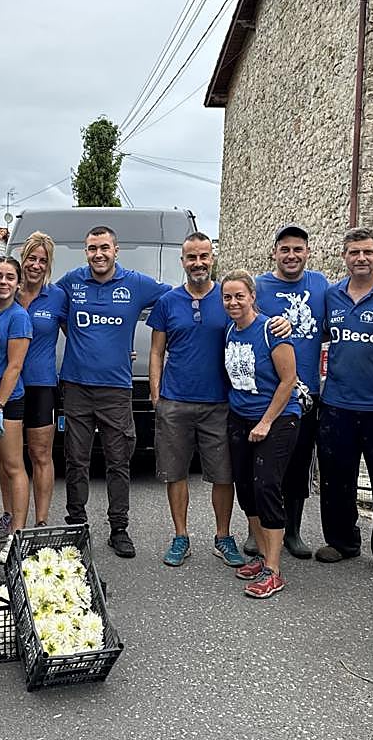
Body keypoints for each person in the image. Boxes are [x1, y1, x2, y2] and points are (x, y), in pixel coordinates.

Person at [56, 225, 170, 558]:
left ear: (116, 250)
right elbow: (56, 313)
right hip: (76, 386)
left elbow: (175, 297)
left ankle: (118, 529)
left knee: (118, 462)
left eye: (104, 248)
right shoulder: (71, 282)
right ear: (86, 251)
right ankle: (76, 525)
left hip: (116, 390)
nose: (98, 254)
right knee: (75, 461)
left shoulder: (135, 283)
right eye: (92, 248)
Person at [314, 228, 373, 576]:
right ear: (344, 256)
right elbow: (321, 335)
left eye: (367, 252)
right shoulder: (331, 295)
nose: (361, 258)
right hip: (337, 402)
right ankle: (341, 542)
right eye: (354, 252)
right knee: (336, 478)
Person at [148, 233, 244, 568]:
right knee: (175, 473)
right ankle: (181, 536)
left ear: (212, 258)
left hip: (220, 402)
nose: (198, 263)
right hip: (175, 402)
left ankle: (222, 536)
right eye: (192, 257)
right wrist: (156, 395)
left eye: (204, 256)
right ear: (183, 262)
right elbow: (157, 351)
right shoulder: (167, 302)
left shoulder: (228, 297)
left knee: (223, 474)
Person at [221, 270, 301, 599]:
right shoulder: (230, 331)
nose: (233, 302)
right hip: (240, 418)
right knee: (246, 489)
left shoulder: (271, 330)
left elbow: (289, 380)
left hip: (278, 418)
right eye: (227, 297)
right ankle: (261, 556)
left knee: (267, 485)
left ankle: (274, 570)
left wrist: (266, 422)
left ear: (253, 296)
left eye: (240, 295)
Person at [256, 224, 328, 560]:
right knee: (265, 467)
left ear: (307, 253)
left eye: (298, 249)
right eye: (285, 249)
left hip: (306, 394)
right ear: (274, 252)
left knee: (298, 467)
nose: (291, 255)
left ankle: (293, 531)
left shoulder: (320, 285)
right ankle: (257, 532)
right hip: (269, 394)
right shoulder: (259, 286)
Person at [16, 231, 68, 529]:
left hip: (41, 384)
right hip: (7, 387)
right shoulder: (7, 289)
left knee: (40, 454)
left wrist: (114, 352)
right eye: (31, 258)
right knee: (9, 458)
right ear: (22, 259)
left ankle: (41, 519)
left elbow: (78, 336)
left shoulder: (58, 296)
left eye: (42, 260)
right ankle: (12, 519)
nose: (35, 265)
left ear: (48, 265)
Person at [0, 256, 33, 565]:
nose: (3, 282)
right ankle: (5, 520)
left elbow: (14, 366)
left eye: (9, 278)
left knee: (14, 465)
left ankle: (18, 534)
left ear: (18, 283)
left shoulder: (18, 317)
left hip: (7, 402)